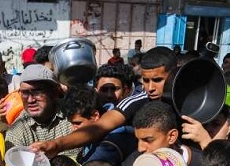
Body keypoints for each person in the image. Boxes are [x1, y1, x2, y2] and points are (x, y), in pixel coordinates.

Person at [31, 46, 177, 157]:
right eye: (146, 80)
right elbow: (98, 128)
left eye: (157, 80)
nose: (150, 88)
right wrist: (57, 145)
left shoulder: (194, 102)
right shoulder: (136, 101)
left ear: (174, 74)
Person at [59, 85, 136, 166]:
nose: (73, 129)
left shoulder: (112, 142)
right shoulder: (93, 137)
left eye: (78, 123)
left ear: (95, 116)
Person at [5, 65, 73, 155]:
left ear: (54, 92)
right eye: (25, 93)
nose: (30, 100)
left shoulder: (72, 116)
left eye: (37, 92)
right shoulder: (16, 132)